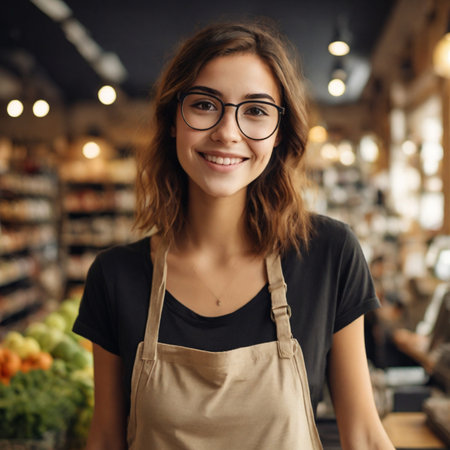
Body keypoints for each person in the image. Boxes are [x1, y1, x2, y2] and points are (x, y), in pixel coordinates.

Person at [73, 20, 395, 449]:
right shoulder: (115, 277)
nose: (227, 132)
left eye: (257, 110)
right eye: (205, 105)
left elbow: (365, 436)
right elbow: (106, 439)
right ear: (173, 119)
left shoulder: (329, 255)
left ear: (279, 134)